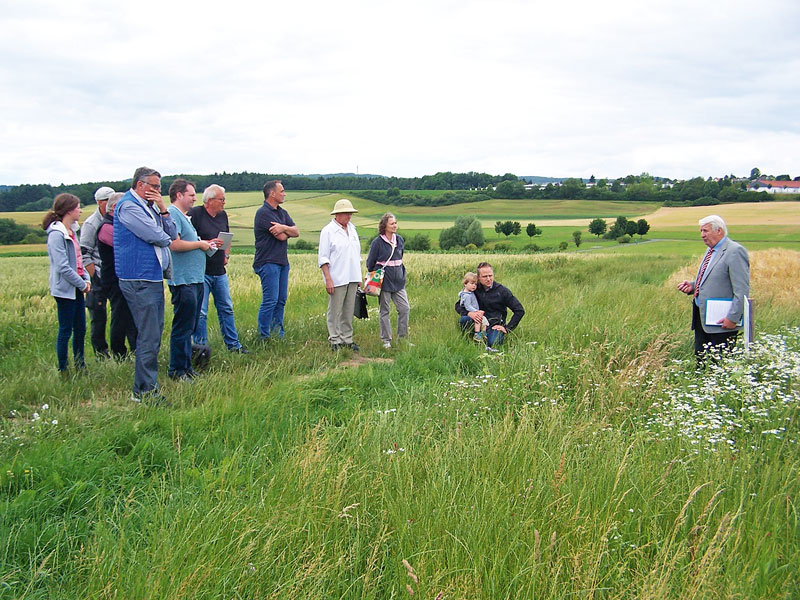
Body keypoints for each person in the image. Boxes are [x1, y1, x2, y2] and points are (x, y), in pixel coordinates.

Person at [114, 166, 177, 405]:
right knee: (149, 336)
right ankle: (144, 392)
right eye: (154, 187)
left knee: (153, 333)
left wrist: (162, 208)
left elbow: (171, 231)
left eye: (159, 187)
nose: (158, 191)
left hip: (150, 276)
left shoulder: (149, 207)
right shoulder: (129, 206)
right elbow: (159, 237)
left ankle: (144, 388)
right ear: (140, 185)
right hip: (138, 277)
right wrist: (164, 232)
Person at [676, 214, 750, 365]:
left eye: (705, 231)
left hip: (722, 323)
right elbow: (712, 278)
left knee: (720, 366)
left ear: (719, 231)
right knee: (702, 362)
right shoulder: (710, 250)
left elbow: (741, 289)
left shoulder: (734, 251)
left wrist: (733, 318)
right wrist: (693, 286)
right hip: (703, 319)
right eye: (701, 231)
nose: (702, 235)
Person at [190, 184, 248, 353]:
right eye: (221, 199)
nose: (224, 202)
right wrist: (208, 242)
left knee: (226, 308)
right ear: (209, 200)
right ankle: (200, 349)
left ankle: (234, 346)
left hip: (219, 270)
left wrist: (226, 255)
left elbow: (227, 237)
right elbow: (189, 238)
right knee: (201, 312)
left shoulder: (222, 216)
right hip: (201, 270)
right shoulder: (196, 214)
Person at [167, 179, 212, 381]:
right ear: (179, 195)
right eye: (191, 195)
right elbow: (174, 244)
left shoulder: (184, 217)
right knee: (183, 327)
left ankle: (186, 367)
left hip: (194, 279)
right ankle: (177, 370)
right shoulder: (172, 214)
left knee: (189, 326)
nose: (195, 198)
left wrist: (203, 244)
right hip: (183, 280)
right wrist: (200, 245)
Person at [43, 193, 91, 374]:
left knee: (80, 328)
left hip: (77, 286)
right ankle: (63, 368)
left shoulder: (72, 231)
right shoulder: (57, 234)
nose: (80, 210)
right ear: (69, 210)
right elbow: (63, 266)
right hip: (65, 289)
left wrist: (86, 279)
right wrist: (81, 284)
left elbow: (78, 260)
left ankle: (80, 364)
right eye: (78, 207)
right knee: (66, 329)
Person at [253, 180, 298, 341]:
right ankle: (264, 336)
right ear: (272, 193)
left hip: (281, 262)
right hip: (267, 261)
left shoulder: (282, 212)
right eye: (282, 191)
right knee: (270, 300)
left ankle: (277, 333)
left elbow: (295, 231)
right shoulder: (264, 213)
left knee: (281, 299)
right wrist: (286, 230)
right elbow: (280, 237)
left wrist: (283, 227)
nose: (284, 194)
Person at [318, 199, 362, 351]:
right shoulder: (328, 231)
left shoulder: (353, 229)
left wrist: (359, 276)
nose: (349, 216)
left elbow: (357, 254)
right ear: (337, 214)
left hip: (352, 275)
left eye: (350, 213)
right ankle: (334, 339)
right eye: (346, 213)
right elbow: (323, 258)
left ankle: (347, 339)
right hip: (337, 277)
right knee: (335, 310)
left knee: (349, 309)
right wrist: (328, 279)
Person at [96, 192, 137, 358]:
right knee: (119, 315)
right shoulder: (106, 227)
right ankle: (119, 352)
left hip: (122, 276)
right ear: (114, 207)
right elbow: (126, 245)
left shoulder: (115, 225)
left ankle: (135, 347)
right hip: (113, 279)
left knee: (130, 315)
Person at [365, 212, 410, 349]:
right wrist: (378, 275)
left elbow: (400, 257)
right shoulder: (377, 242)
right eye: (392, 223)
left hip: (399, 282)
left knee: (405, 308)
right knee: (385, 310)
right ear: (385, 226)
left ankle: (403, 339)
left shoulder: (400, 240)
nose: (395, 226)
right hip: (384, 283)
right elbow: (370, 263)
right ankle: (386, 340)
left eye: (395, 223)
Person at [455, 262, 525, 348]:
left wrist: (507, 328)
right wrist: (469, 313)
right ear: (478, 278)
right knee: (464, 320)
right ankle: (471, 339)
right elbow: (458, 305)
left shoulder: (502, 291)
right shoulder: (474, 288)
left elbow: (519, 310)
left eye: (490, 275)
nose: (488, 279)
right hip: (478, 322)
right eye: (484, 276)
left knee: (493, 343)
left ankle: (486, 339)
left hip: (494, 325)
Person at [80, 186, 114, 358]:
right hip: (98, 276)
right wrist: (95, 278)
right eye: (108, 202)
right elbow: (84, 253)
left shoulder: (116, 220)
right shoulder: (91, 223)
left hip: (112, 274)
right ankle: (101, 352)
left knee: (120, 313)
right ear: (100, 203)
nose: (111, 205)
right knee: (98, 316)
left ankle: (118, 349)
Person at [458, 272, 489, 343]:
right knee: (478, 320)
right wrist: (476, 311)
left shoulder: (470, 292)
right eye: (472, 284)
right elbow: (468, 306)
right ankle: (477, 333)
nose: (474, 286)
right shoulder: (466, 295)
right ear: (465, 284)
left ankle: (483, 333)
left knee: (484, 321)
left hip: (475, 310)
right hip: (473, 312)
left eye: (475, 284)